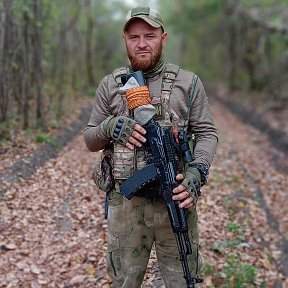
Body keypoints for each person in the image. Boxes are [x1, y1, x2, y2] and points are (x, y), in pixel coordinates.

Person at [84, 6, 218, 288]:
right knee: (124, 282)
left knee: (183, 279)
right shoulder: (110, 85)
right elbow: (90, 138)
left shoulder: (187, 83)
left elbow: (206, 133)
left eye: (149, 36)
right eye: (134, 37)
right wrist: (110, 127)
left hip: (176, 199)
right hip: (126, 206)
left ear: (163, 38)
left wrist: (197, 173)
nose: (142, 43)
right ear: (125, 40)